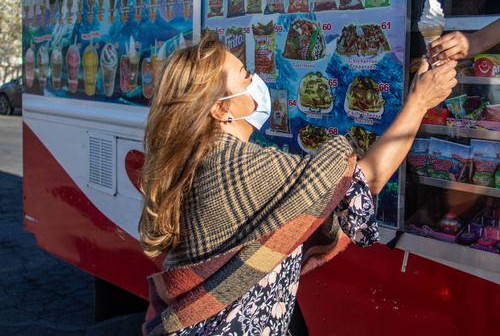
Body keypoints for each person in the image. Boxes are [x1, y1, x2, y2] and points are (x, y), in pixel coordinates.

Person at [138, 32, 456, 335]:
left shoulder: (199, 157)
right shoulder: (237, 167)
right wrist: (419, 101)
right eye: (246, 75)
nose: (256, 81)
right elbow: (363, 180)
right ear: (222, 109)